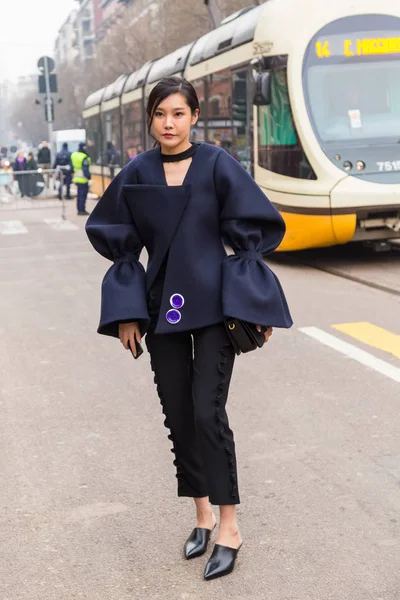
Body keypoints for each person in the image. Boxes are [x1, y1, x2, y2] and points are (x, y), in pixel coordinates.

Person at [85, 77, 292, 581]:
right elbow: (117, 238)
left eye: (179, 113)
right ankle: (200, 516)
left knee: (207, 413)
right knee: (179, 415)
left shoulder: (218, 164)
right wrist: (128, 312)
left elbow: (250, 235)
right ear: (150, 120)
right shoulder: (137, 172)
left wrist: (255, 306)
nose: (170, 123)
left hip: (216, 310)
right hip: (162, 313)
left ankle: (229, 526)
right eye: (161, 114)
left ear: (194, 116)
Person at [71, 142, 91, 216]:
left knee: (79, 195)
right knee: (83, 195)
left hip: (76, 178)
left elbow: (72, 166)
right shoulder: (84, 157)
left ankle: (79, 209)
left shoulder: (74, 155)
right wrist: (89, 177)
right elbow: (85, 169)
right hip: (83, 179)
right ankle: (82, 210)